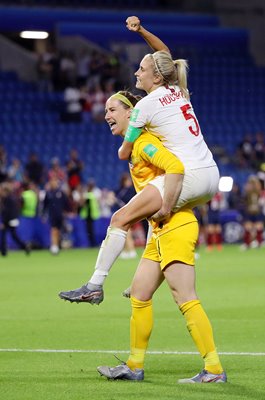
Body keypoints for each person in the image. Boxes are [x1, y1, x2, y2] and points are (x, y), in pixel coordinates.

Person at [61, 91, 226, 383]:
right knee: (139, 294)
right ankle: (134, 366)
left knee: (185, 297)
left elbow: (175, 168)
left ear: (130, 113)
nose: (106, 115)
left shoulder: (145, 142)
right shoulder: (136, 144)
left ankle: (213, 369)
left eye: (112, 109)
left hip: (174, 225)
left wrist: (164, 208)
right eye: (106, 111)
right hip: (159, 229)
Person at [118, 16, 219, 220]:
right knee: (162, 230)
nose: (136, 73)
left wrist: (136, 139)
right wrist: (141, 30)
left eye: (142, 69)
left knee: (122, 218)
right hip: (211, 174)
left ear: (156, 77)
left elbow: (123, 152)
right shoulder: (178, 89)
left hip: (187, 176)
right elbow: (164, 55)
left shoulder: (145, 105)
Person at [0, 182, 31, 256]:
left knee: (6, 235)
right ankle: (24, 246)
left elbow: (7, 211)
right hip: (13, 219)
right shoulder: (12, 197)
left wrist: (4, 222)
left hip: (9, 220)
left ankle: (4, 251)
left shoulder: (7, 199)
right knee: (13, 235)